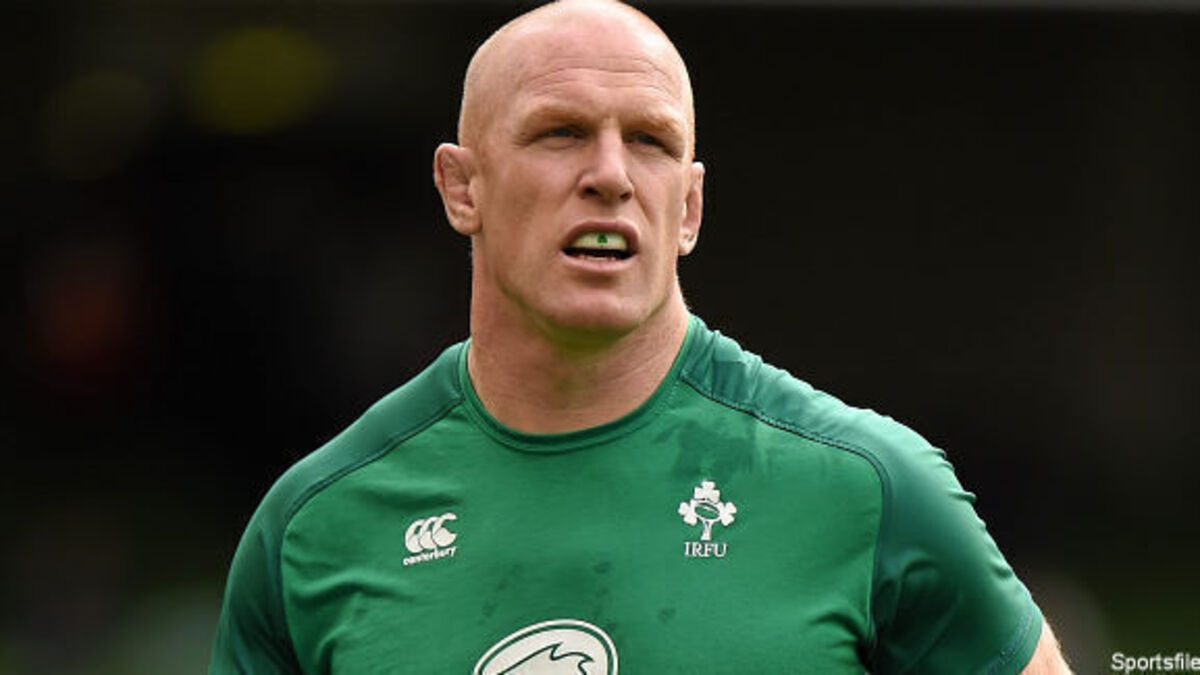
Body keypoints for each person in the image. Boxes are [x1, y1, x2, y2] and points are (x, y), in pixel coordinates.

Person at [210, 1, 1073, 672]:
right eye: (561, 133)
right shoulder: (313, 527)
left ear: (688, 207)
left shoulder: (870, 489)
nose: (611, 175)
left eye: (650, 141)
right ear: (461, 187)